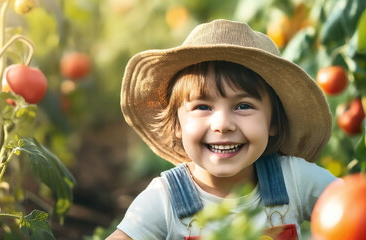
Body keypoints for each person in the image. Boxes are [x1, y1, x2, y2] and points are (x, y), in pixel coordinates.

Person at [107, 19, 337, 240]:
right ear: (177, 124)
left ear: (274, 122)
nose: (222, 124)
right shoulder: (165, 199)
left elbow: (354, 207)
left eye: (243, 106)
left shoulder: (293, 180)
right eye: (203, 107)